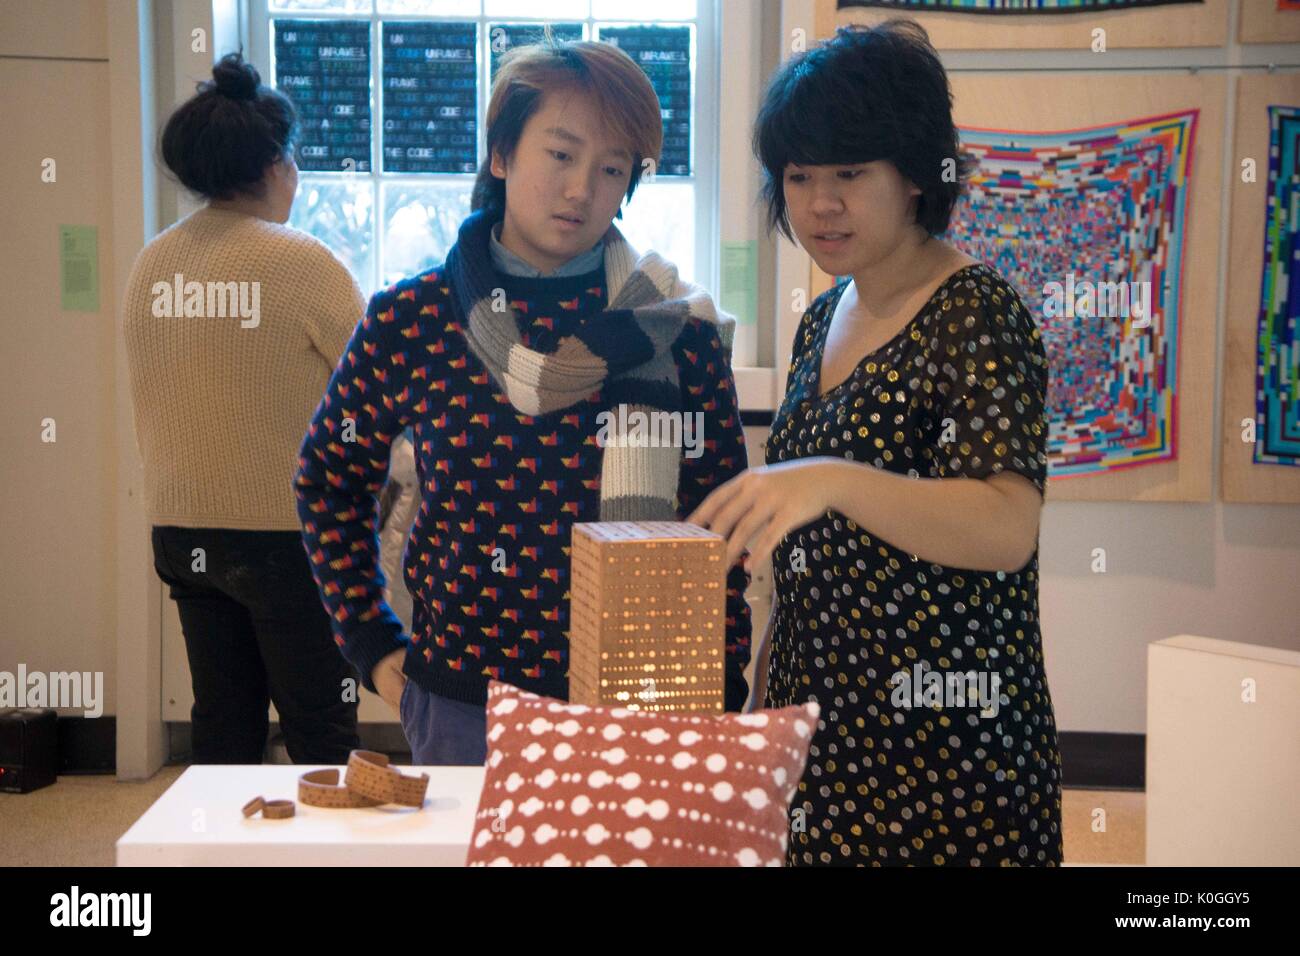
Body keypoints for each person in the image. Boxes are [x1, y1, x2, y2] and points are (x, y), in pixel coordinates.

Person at [295, 36, 753, 766]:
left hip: (645, 703)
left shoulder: (671, 328)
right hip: (462, 707)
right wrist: (373, 645)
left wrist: (717, 694)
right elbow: (327, 478)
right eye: (561, 155)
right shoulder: (412, 318)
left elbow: (720, 531)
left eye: (611, 169)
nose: (582, 190)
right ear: (502, 155)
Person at [688, 20, 1063, 865]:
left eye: (851, 173)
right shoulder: (823, 314)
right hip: (823, 739)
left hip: (946, 753)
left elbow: (1006, 528)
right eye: (799, 176)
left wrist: (831, 478)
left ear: (918, 175)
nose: (822, 203)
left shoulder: (976, 312)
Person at [123, 53, 364, 764]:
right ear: (277, 164)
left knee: (224, 724)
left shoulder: (152, 263)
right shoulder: (303, 262)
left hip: (181, 531)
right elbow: (380, 388)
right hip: (285, 536)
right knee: (321, 728)